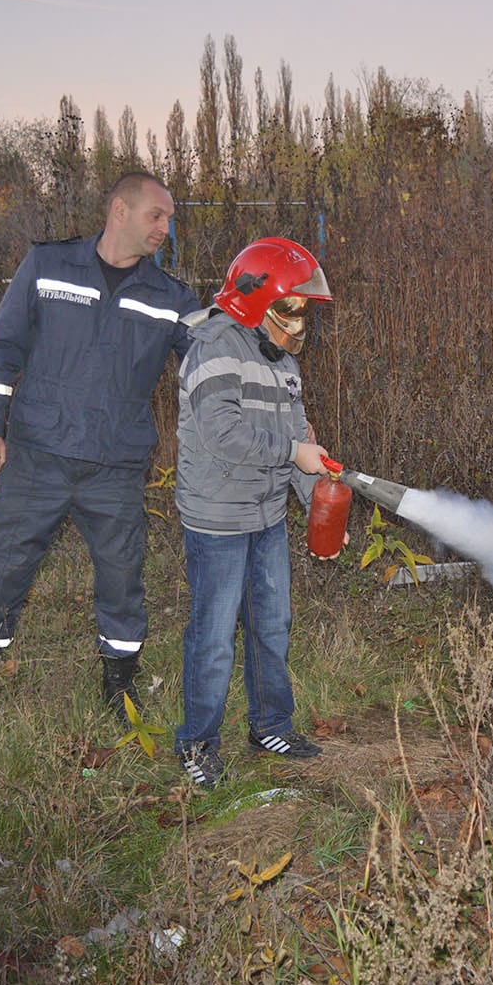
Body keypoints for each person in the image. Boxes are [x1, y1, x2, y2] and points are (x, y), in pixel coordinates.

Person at [0, 171, 200, 719]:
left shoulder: (170, 298)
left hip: (115, 467)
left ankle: (119, 685)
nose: (165, 227)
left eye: (169, 219)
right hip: (39, 454)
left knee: (122, 578)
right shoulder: (47, 267)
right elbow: (0, 351)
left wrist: (257, 336)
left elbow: (208, 365)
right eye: (155, 216)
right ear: (120, 210)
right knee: (7, 567)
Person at [173, 237, 340, 788]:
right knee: (215, 635)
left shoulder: (284, 362)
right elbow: (222, 433)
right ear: (256, 300)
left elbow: (297, 438)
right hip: (218, 519)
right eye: (290, 309)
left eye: (304, 312)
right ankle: (197, 743)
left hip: (266, 516)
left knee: (272, 625)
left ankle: (271, 724)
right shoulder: (215, 347)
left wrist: (318, 504)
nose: (299, 324)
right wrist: (295, 453)